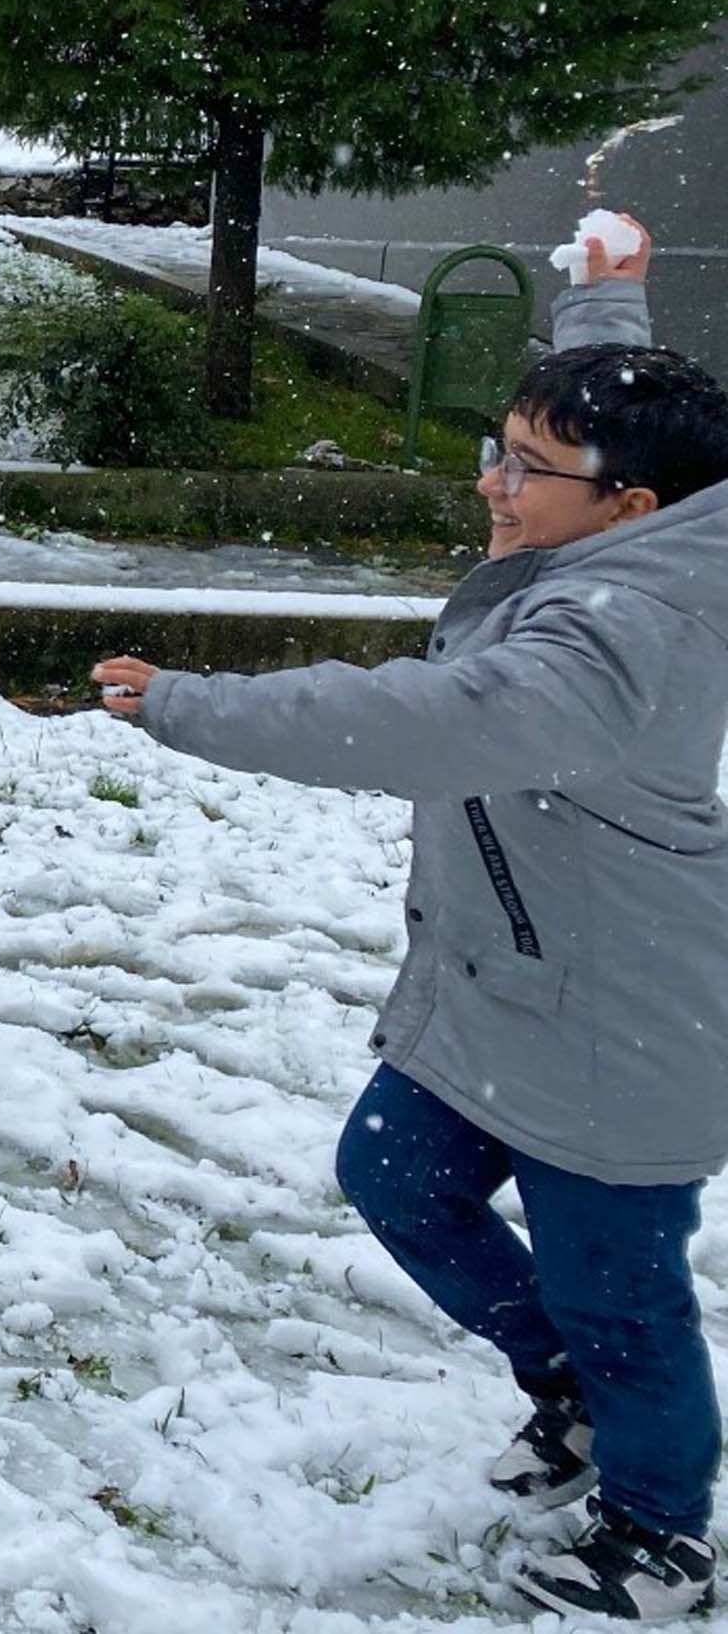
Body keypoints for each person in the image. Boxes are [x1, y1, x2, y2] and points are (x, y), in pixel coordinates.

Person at [93, 217, 728, 1621]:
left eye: (523, 469)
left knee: (626, 1299)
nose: (494, 480)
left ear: (628, 508)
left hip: (621, 1027)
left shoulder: (625, 634)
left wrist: (200, 706)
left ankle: (662, 1524)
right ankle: (562, 1383)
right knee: (396, 1173)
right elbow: (610, 421)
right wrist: (608, 296)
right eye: (499, 447)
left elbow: (423, 719)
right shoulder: (655, 520)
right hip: (518, 977)